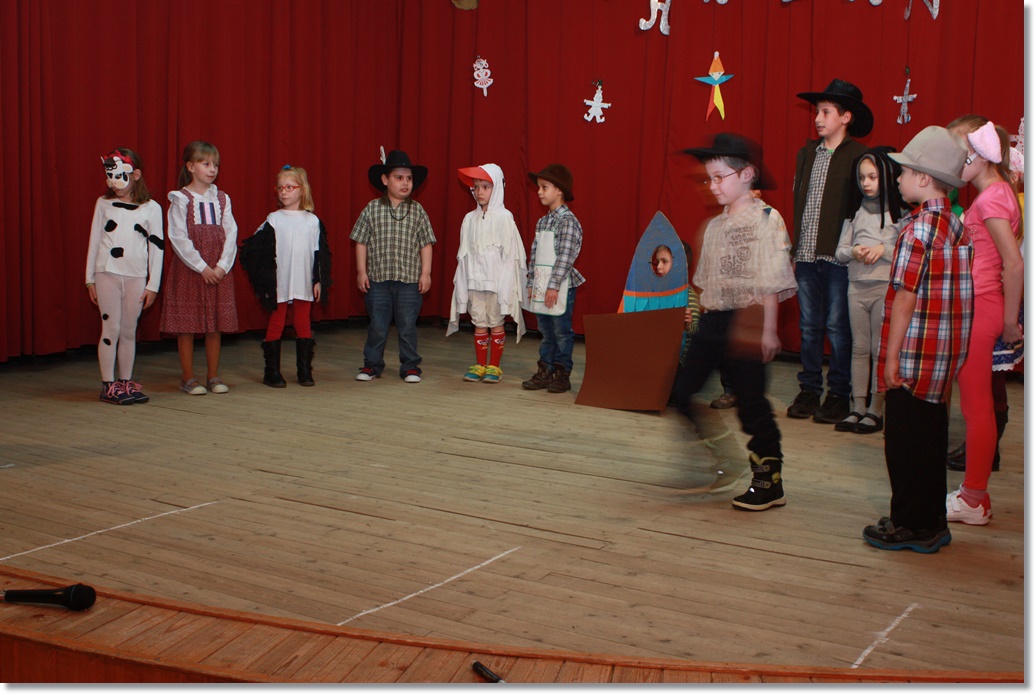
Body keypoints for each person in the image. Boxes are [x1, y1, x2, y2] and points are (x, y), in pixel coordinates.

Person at [862, 126, 971, 553]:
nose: (899, 178)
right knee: (930, 439)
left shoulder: (918, 230)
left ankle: (910, 524)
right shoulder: (956, 225)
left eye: (905, 171)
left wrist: (890, 358)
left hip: (912, 354)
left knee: (904, 444)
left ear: (924, 179)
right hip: (941, 356)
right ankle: (932, 520)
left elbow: (906, 296)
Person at [677, 133, 797, 511]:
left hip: (749, 318)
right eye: (709, 178)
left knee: (751, 404)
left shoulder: (767, 220)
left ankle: (768, 480)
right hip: (714, 322)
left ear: (747, 175)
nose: (712, 185)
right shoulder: (713, 227)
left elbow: (771, 279)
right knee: (680, 392)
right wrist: (697, 315)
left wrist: (768, 331)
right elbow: (707, 284)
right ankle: (724, 460)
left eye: (719, 177)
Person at [939, 118, 1023, 526]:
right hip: (982, 306)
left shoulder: (990, 199)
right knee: (978, 406)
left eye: (958, 153)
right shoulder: (999, 192)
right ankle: (976, 496)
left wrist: (1009, 322)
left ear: (978, 155)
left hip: (982, 307)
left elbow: (1014, 263)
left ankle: (973, 498)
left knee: (976, 408)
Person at [787, 79, 871, 424]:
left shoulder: (858, 156)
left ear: (846, 117)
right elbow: (801, 202)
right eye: (817, 112)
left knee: (838, 327)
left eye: (825, 112)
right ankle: (809, 389)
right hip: (807, 255)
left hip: (838, 258)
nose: (818, 118)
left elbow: (862, 207)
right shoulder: (807, 154)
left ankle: (838, 393)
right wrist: (795, 250)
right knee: (809, 326)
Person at [832, 147, 906, 434]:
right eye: (862, 177)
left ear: (885, 176)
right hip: (856, 288)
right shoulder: (855, 213)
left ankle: (877, 408)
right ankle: (858, 406)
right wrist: (854, 251)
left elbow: (904, 251)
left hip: (883, 289)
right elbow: (840, 251)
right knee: (860, 349)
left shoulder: (899, 215)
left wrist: (882, 249)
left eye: (872, 177)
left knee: (879, 349)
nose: (866, 183)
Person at [240, 165, 332, 388]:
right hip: (280, 281)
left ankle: (304, 371)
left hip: (302, 280)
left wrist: (318, 280)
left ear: (302, 189)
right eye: (280, 187)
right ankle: (271, 372)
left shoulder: (312, 221)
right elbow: (255, 249)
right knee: (277, 321)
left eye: (289, 187)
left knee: (303, 321)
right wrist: (265, 279)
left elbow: (320, 254)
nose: (283, 192)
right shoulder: (274, 219)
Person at [159, 141, 239, 395]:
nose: (212, 169)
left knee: (214, 325)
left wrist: (222, 266)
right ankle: (188, 377)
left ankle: (213, 376)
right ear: (191, 166)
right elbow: (178, 237)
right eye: (206, 164)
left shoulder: (223, 199)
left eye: (215, 164)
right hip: (191, 270)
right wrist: (202, 267)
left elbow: (231, 233)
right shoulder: (180, 199)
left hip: (217, 270)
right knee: (187, 326)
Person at [86, 148, 164, 405]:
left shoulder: (151, 208)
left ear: (136, 175)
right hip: (107, 272)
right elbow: (94, 240)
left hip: (136, 276)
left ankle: (125, 381)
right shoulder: (103, 203)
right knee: (111, 328)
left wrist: (153, 285)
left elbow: (157, 246)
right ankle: (108, 385)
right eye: (110, 176)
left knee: (129, 330)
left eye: (119, 176)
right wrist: (89, 278)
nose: (113, 182)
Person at [350, 150, 436, 383]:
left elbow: (426, 244)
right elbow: (361, 241)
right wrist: (361, 271)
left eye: (408, 178)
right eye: (399, 178)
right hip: (378, 280)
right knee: (378, 326)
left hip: (409, 281)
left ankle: (410, 366)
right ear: (385, 179)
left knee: (407, 326)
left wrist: (426, 273)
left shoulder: (417, 210)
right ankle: (372, 365)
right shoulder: (372, 208)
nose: (405, 183)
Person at [447, 163, 527, 383]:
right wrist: (463, 284)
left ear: (497, 188)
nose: (479, 192)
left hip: (496, 284)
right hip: (475, 282)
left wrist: (506, 287)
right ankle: (480, 364)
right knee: (479, 322)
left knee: (496, 321)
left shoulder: (504, 218)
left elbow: (510, 256)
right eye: (476, 187)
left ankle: (494, 366)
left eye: (485, 187)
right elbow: (464, 254)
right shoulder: (469, 219)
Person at [521, 164, 586, 394]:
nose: (539, 192)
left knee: (561, 331)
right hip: (542, 285)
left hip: (560, 286)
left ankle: (562, 373)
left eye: (544, 187)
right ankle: (545, 370)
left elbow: (565, 257)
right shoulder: (543, 222)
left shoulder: (567, 221)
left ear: (559, 190)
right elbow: (534, 255)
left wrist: (554, 285)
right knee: (546, 331)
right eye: (539, 187)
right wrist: (532, 283)